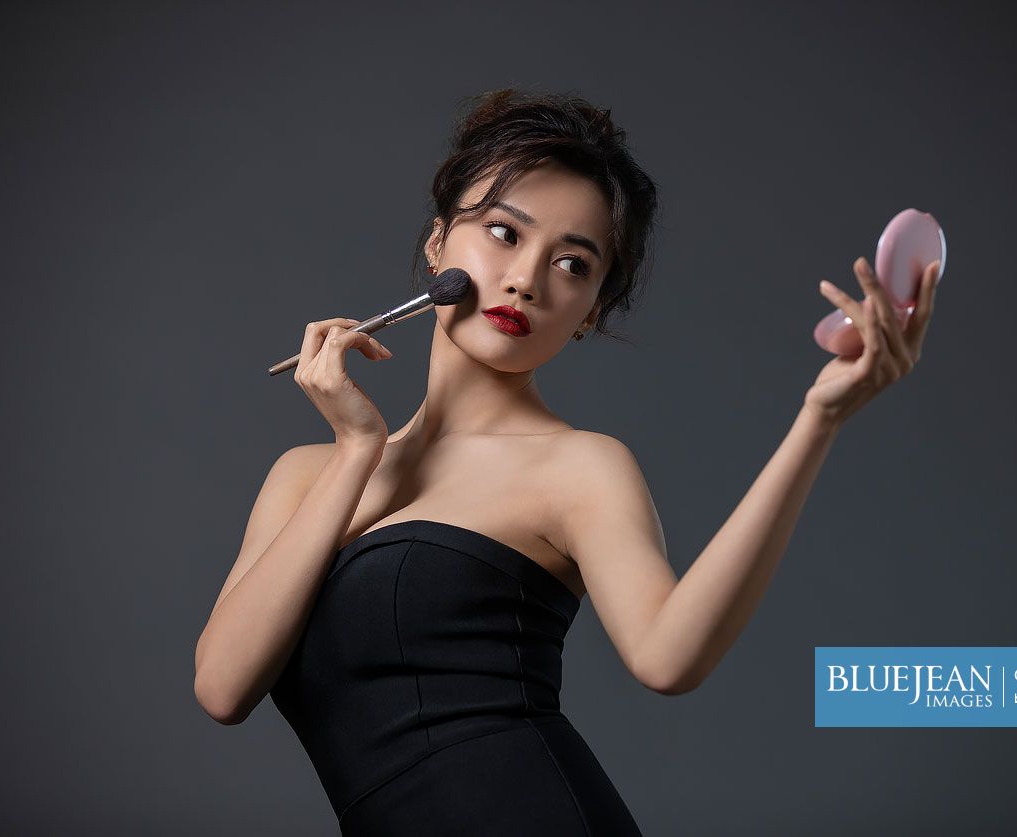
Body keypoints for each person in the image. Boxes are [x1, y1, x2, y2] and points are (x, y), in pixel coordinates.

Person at [193, 87, 939, 836]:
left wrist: (820, 417)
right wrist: (357, 451)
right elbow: (223, 687)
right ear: (435, 243)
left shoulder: (578, 467)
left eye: (573, 264)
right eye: (501, 233)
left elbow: (668, 658)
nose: (527, 278)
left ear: (589, 313)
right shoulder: (303, 474)